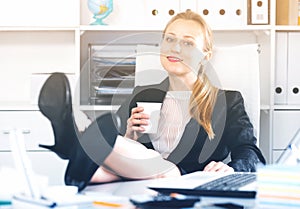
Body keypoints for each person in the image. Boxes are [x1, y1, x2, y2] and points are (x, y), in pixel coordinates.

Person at [38, 10, 266, 192]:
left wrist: (229, 169)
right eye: (170, 39)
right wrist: (130, 136)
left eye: (188, 43)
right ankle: (76, 147)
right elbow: (117, 144)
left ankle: (70, 141)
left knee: (153, 169)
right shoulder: (142, 95)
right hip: (138, 184)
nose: (175, 47)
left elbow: (250, 153)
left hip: (183, 181)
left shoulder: (227, 101)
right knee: (106, 168)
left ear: (205, 56)